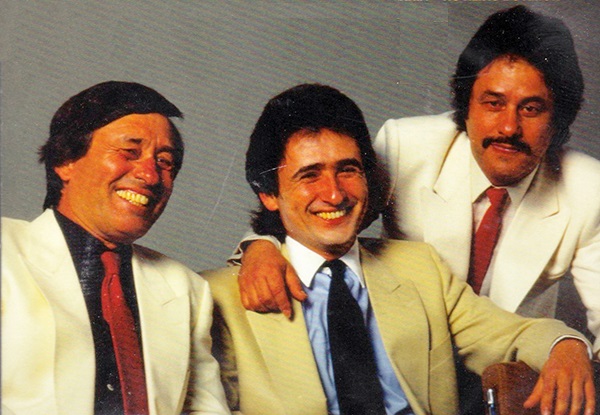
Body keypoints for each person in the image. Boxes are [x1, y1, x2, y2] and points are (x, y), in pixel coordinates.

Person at [205, 83, 595, 415]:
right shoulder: (219, 297)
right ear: (269, 194)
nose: (335, 194)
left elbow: (508, 333)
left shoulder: (419, 267)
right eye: (310, 175)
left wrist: (565, 344)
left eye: (348, 169)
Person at [235, 5, 600, 358]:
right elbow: (322, 209)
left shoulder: (589, 188)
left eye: (531, 108)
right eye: (493, 103)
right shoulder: (406, 147)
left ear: (558, 117)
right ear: (466, 106)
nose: (509, 127)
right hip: (411, 359)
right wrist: (262, 245)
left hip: (513, 366)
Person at [1, 81, 230, 415]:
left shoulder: (186, 288)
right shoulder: (6, 251)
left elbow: (207, 409)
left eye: (165, 162)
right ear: (66, 161)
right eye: (129, 152)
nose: (150, 175)